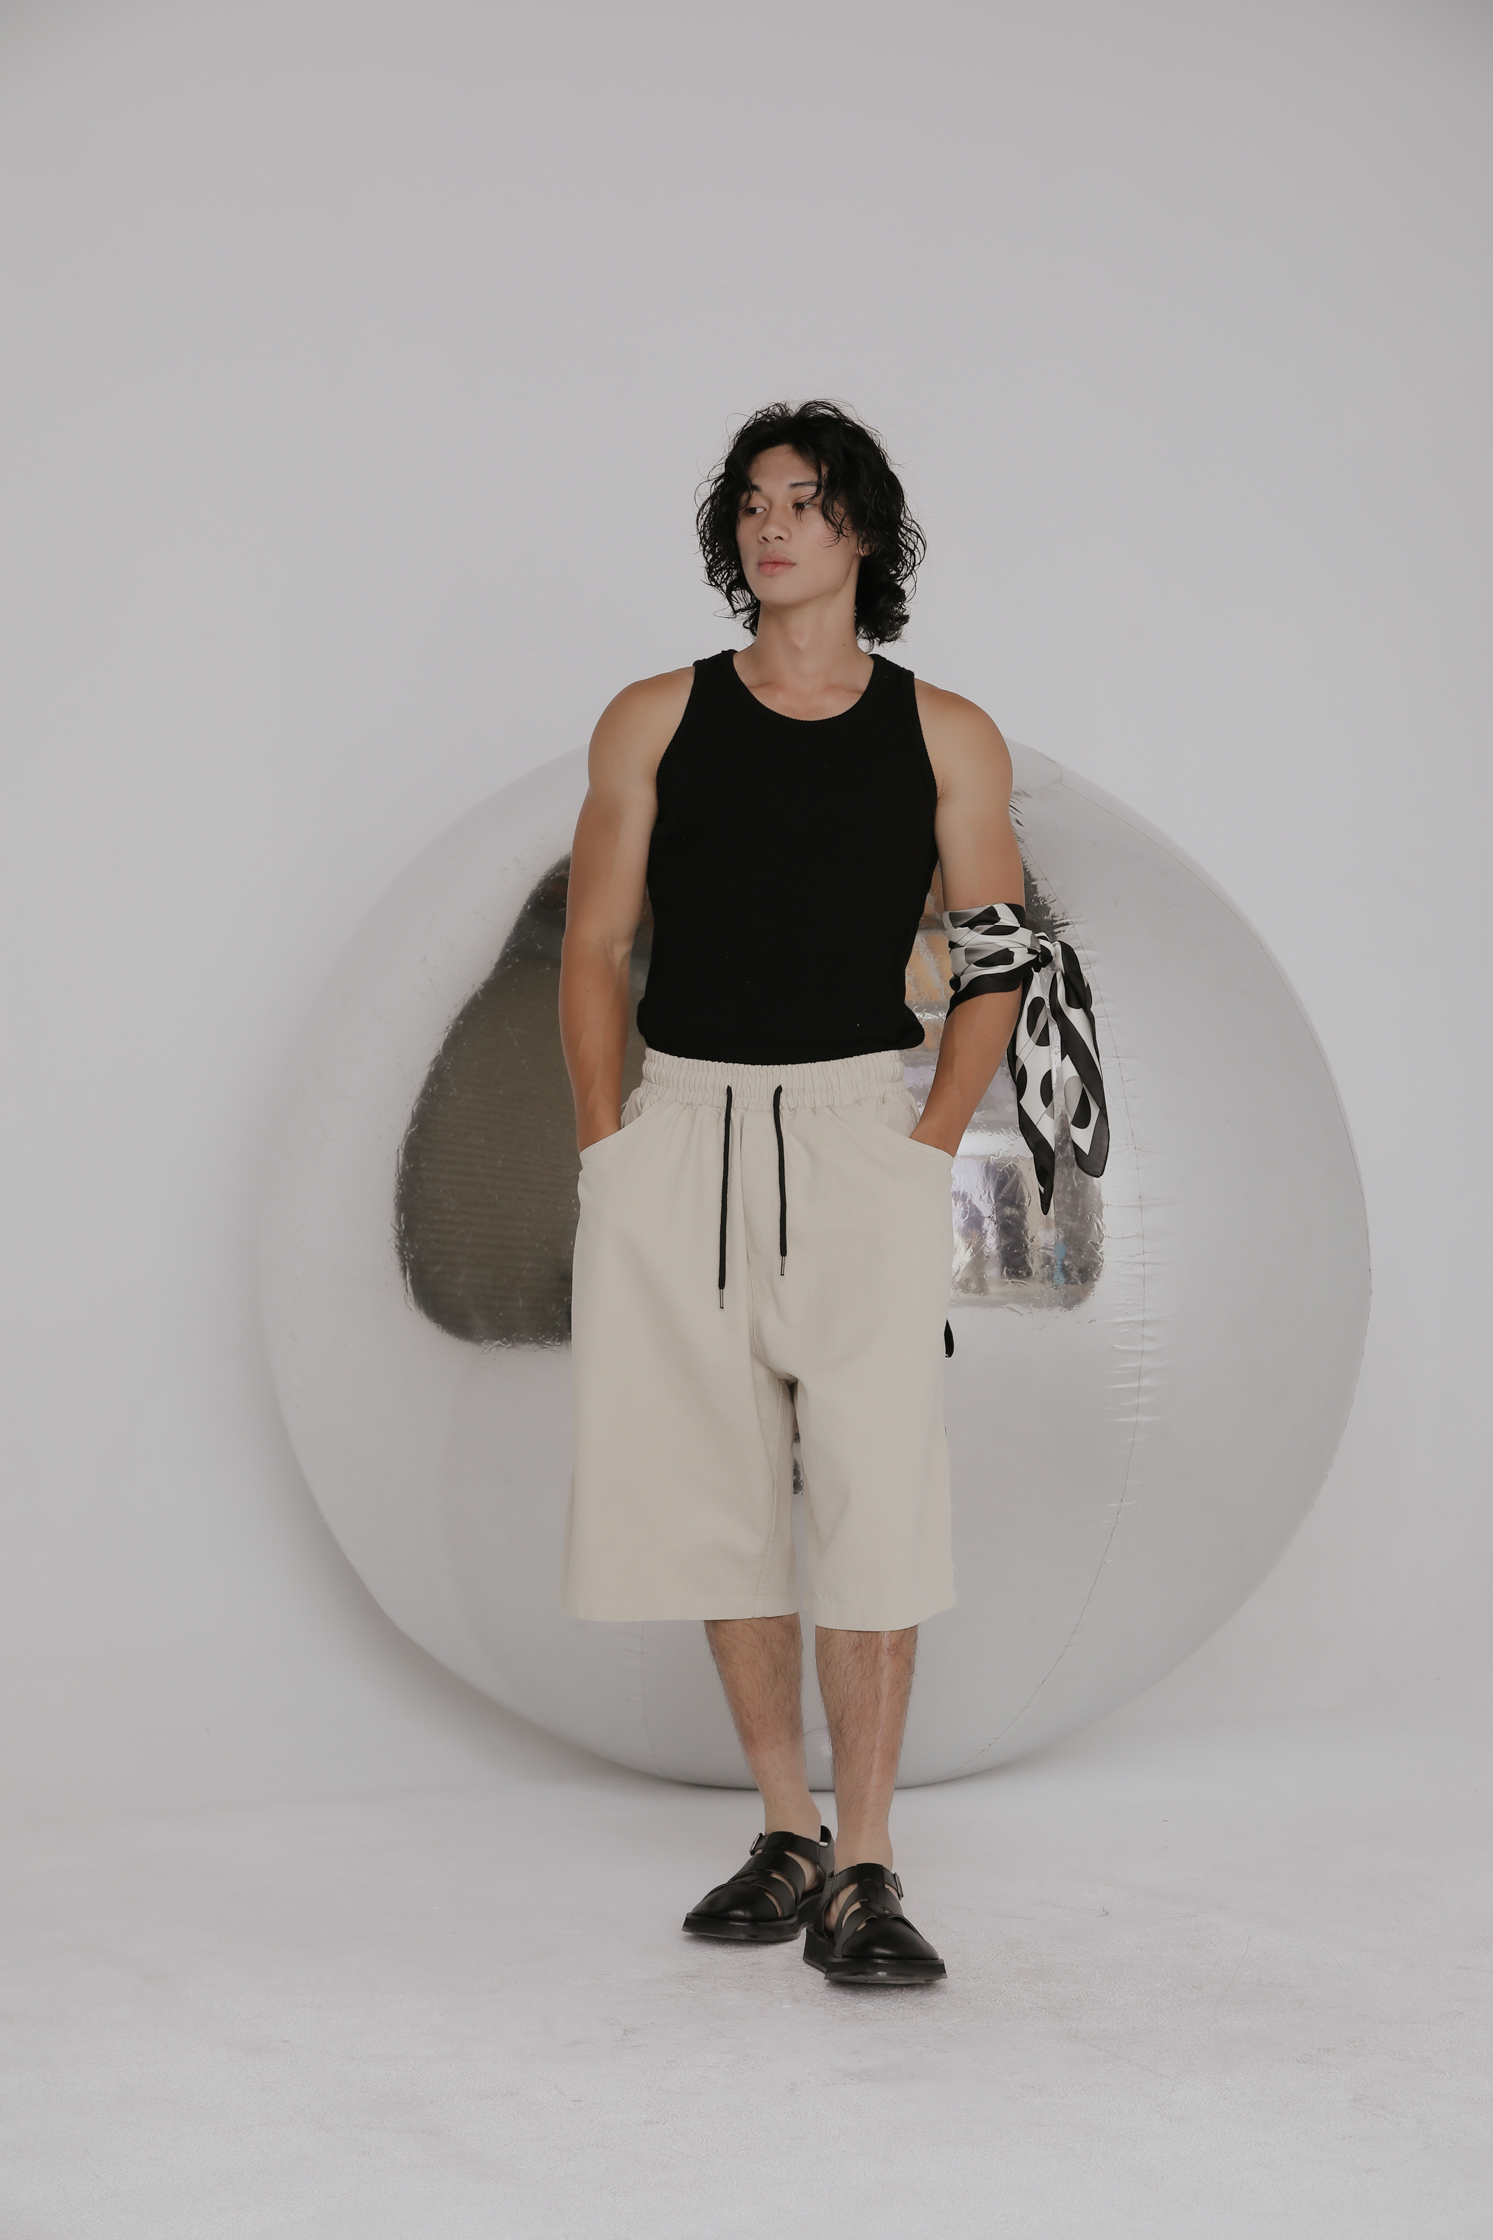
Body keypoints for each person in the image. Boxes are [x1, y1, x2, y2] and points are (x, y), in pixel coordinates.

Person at [558, 400, 1026, 1987]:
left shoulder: (945, 732)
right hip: (680, 1126)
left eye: (807, 502)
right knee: (718, 1500)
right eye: (753, 502)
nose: (772, 526)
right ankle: (786, 1828)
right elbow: (594, 944)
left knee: (878, 1498)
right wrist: (608, 1146)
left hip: (854, 1131)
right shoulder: (653, 717)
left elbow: (996, 956)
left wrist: (928, 1145)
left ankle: (870, 1863)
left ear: (861, 534)